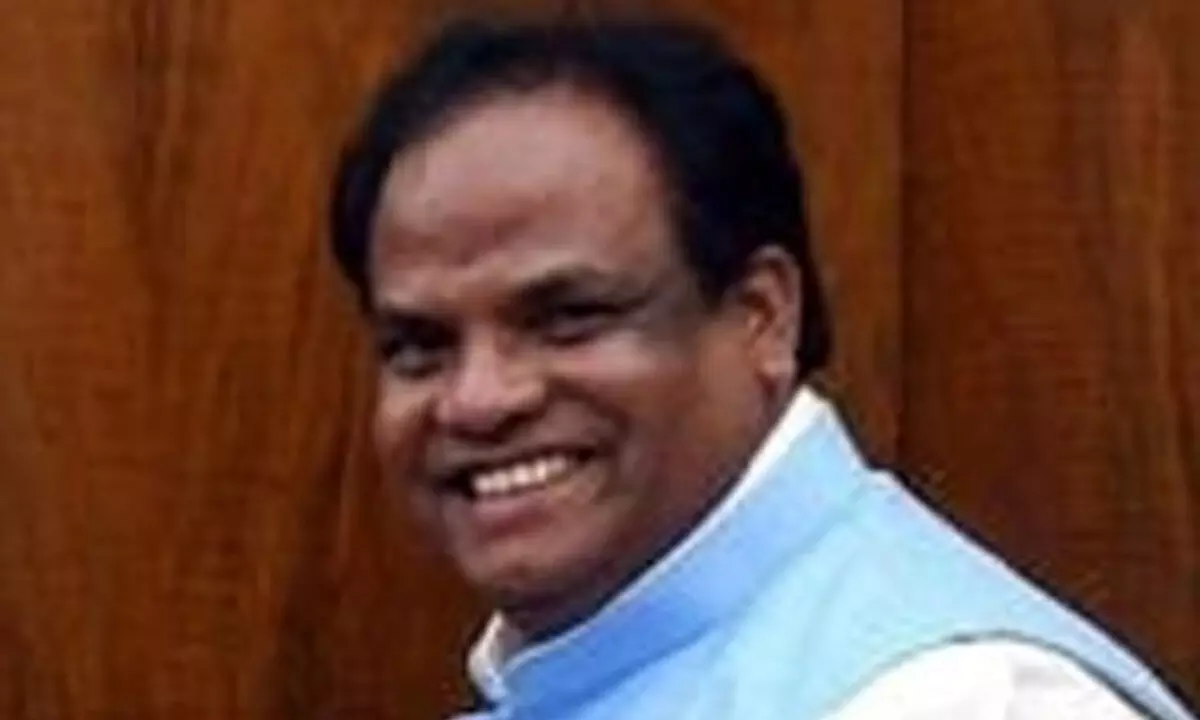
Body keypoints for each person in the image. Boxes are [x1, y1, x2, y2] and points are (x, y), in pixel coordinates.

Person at [327, 17, 1196, 720]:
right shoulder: (570, 671)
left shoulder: (960, 700)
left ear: (762, 317)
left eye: (569, 318)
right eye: (419, 346)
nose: (479, 399)